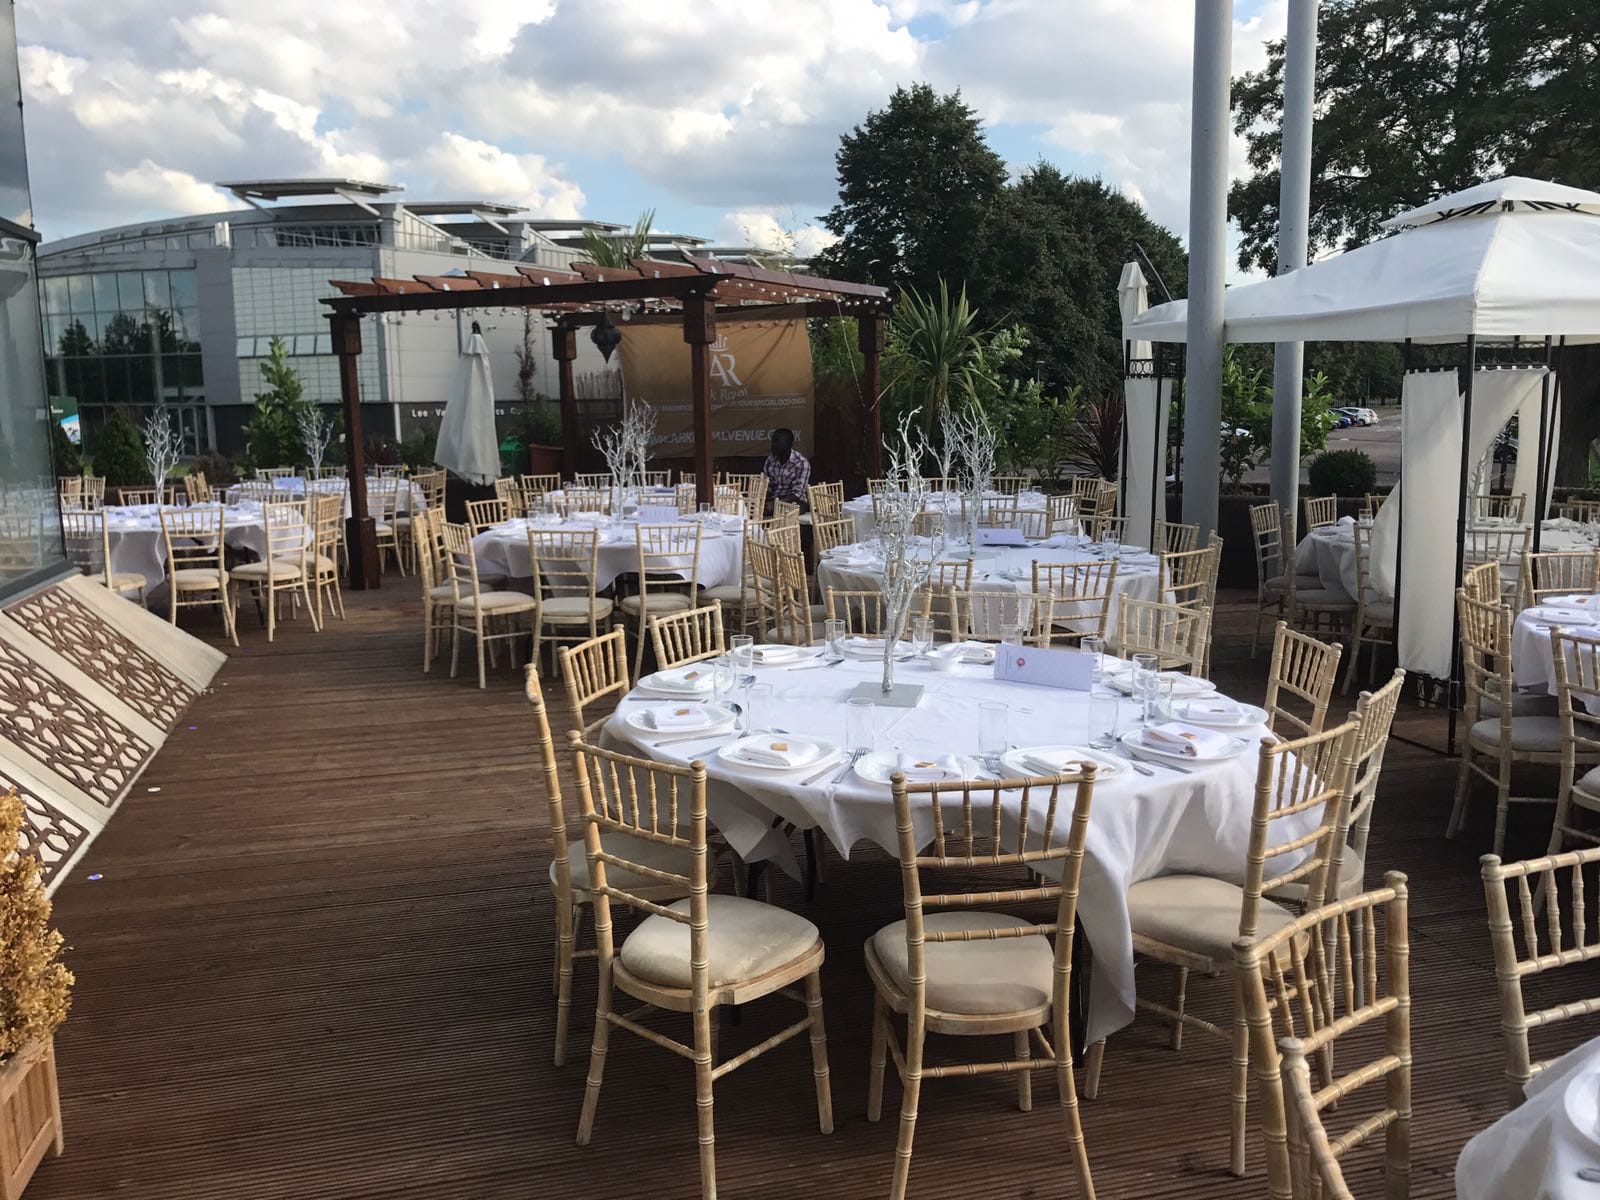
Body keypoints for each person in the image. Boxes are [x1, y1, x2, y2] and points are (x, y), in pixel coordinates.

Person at [762, 428, 811, 513]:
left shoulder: (801, 463)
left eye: (777, 442)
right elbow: (766, 486)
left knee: (778, 511)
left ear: (788, 444)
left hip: (794, 501)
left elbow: (797, 493)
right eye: (772, 441)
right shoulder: (770, 460)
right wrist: (761, 500)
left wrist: (775, 503)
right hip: (774, 498)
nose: (773, 445)